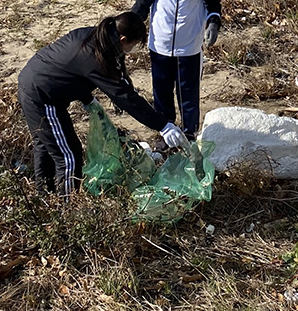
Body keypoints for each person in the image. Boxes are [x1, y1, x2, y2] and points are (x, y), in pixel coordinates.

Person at [18, 12, 185, 195]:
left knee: (46, 145)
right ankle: (65, 208)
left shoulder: (99, 37)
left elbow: (69, 68)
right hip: (42, 96)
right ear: (123, 39)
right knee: (68, 156)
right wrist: (162, 125)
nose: (134, 48)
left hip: (34, 82)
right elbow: (123, 96)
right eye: (134, 44)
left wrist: (87, 98)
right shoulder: (95, 56)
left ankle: (43, 198)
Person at [131, 0, 221, 142]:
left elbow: (213, 3)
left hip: (189, 47)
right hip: (160, 44)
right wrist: (131, 31)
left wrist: (214, 23)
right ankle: (166, 132)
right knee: (161, 92)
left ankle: (189, 134)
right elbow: (141, 4)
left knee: (188, 94)